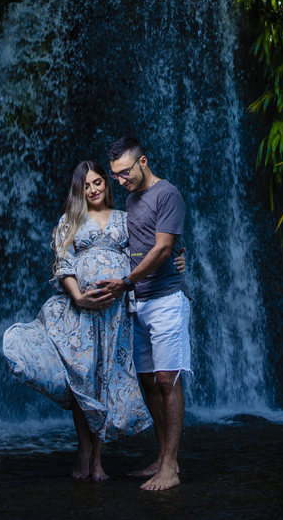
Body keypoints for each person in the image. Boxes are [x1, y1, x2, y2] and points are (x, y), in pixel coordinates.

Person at [2, 160, 151, 481]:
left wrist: (176, 255)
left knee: (105, 381)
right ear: (79, 191)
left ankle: (97, 459)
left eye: (98, 182)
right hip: (81, 313)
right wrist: (79, 296)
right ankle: (84, 450)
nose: (93, 189)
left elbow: (147, 253)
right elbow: (63, 264)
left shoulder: (126, 220)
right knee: (83, 381)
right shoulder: (70, 220)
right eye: (86, 185)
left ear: (106, 185)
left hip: (117, 316)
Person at [99, 136, 189, 492]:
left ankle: (170, 468)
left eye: (125, 173)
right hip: (140, 303)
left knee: (169, 380)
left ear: (143, 162)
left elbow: (164, 247)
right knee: (149, 382)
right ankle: (163, 456)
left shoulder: (168, 194)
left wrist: (125, 281)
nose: (120, 181)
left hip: (167, 298)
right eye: (115, 176)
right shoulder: (132, 200)